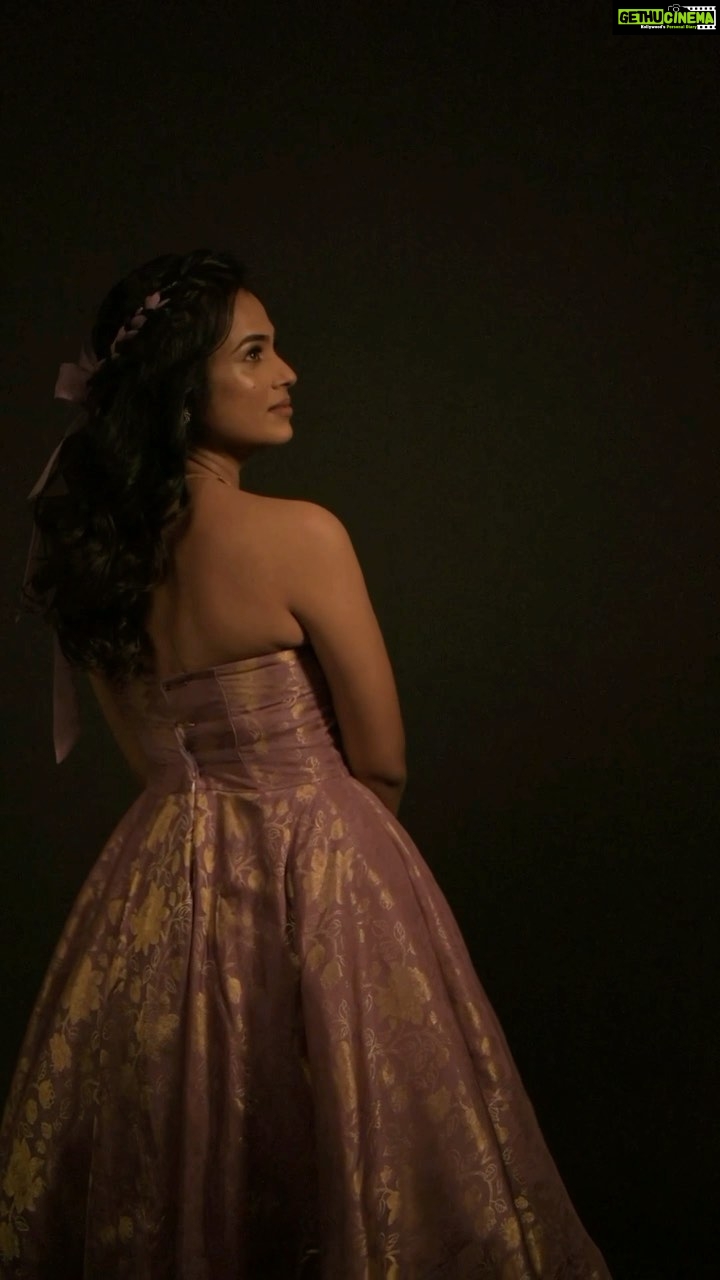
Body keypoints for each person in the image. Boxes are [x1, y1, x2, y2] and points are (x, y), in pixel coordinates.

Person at [0, 249, 612, 1278]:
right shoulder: (303, 536)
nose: (286, 372)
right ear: (181, 386)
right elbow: (383, 757)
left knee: (184, 1147)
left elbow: (150, 759)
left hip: (157, 883)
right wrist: (349, 877)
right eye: (254, 352)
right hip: (321, 862)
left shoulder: (94, 559)